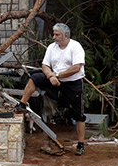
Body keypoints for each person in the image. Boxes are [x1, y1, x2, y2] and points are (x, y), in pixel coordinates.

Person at [17, 23, 87, 156]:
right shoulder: (51, 47)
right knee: (35, 78)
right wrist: (50, 75)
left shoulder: (75, 47)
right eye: (54, 34)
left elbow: (76, 67)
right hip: (54, 78)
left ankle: (81, 144)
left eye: (57, 35)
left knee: (78, 114)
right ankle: (22, 103)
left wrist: (58, 75)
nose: (54, 37)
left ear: (66, 35)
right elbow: (45, 65)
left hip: (72, 82)